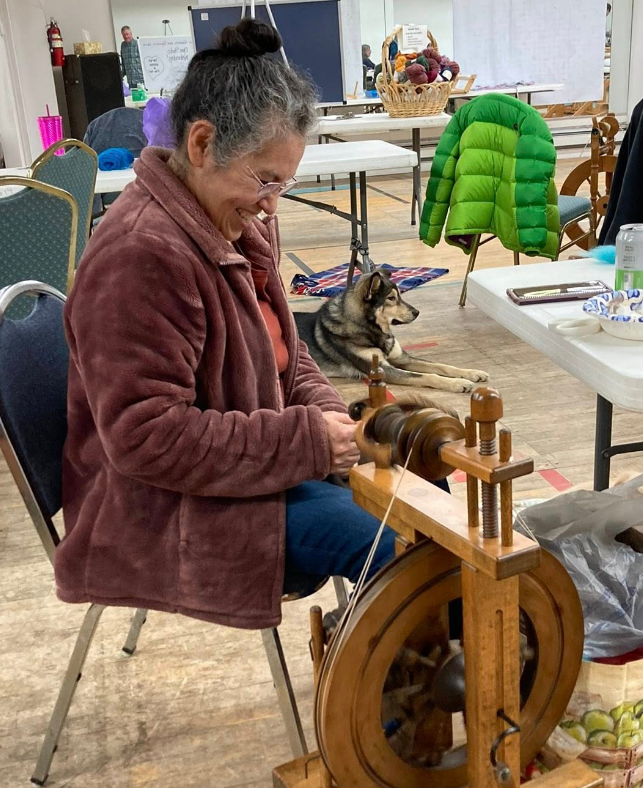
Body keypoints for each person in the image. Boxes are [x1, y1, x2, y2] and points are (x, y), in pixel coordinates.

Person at [56, 19, 402, 630]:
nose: (272, 204)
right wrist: (310, 442)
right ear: (200, 144)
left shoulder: (232, 222)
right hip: (162, 507)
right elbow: (145, 438)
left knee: (430, 496)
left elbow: (286, 355)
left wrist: (339, 423)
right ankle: (394, 713)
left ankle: (425, 682)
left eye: (284, 183)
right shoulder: (139, 257)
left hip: (241, 470)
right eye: (265, 180)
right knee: (397, 542)